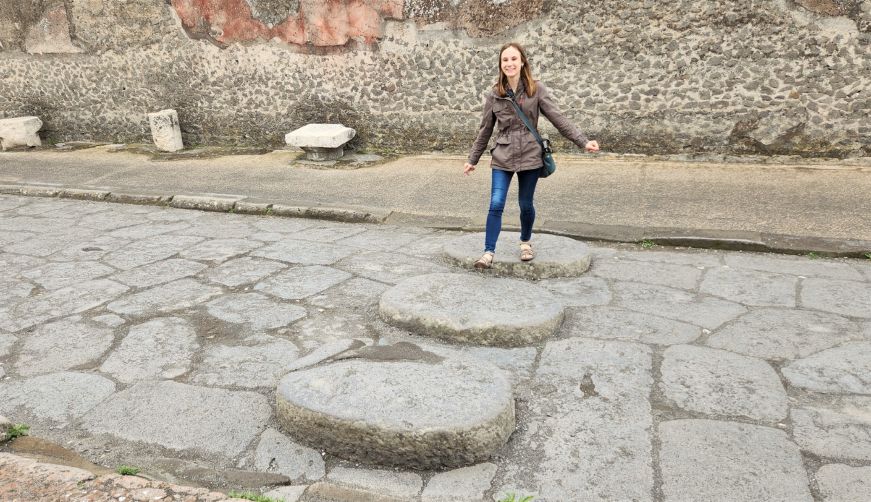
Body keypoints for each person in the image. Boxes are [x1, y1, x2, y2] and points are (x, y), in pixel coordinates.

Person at [463, 42, 599, 269]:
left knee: (525, 204)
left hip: (530, 154)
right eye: (505, 60)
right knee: (496, 203)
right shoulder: (494, 94)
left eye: (514, 59)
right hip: (503, 154)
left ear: (522, 61)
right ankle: (488, 252)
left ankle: (525, 242)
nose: (509, 63)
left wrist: (583, 141)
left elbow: (558, 118)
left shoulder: (536, 90)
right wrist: (472, 159)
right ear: (500, 64)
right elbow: (485, 129)